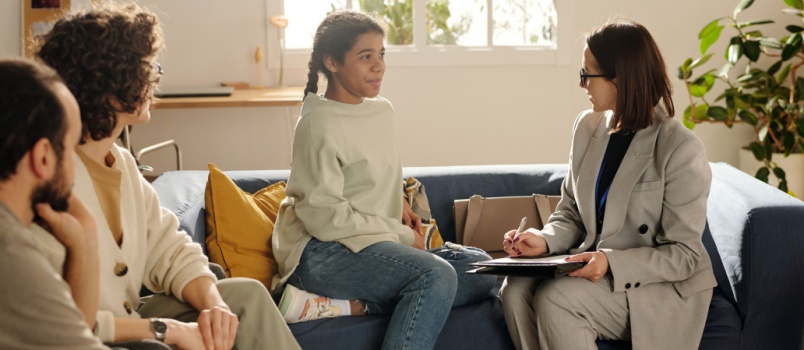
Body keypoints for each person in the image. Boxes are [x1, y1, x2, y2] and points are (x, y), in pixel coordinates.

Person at [34, 4, 300, 350]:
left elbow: (169, 248)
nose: (157, 76)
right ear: (108, 79)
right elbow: (54, 319)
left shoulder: (123, 164)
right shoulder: (47, 179)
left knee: (244, 296)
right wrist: (162, 328)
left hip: (128, 316)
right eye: (147, 66)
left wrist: (215, 305)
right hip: (90, 335)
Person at [271, 10, 495, 349]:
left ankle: (346, 307)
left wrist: (398, 200)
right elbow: (326, 219)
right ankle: (333, 297)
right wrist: (403, 236)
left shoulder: (381, 110)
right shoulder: (318, 124)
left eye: (381, 54)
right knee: (436, 275)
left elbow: (372, 172)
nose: (379, 66)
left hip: (372, 242)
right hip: (322, 252)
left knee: (482, 268)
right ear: (332, 61)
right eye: (365, 56)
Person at [499, 20, 717, 350]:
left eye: (587, 74)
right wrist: (542, 241)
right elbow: (571, 212)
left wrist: (611, 261)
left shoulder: (680, 147)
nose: (581, 83)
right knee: (513, 289)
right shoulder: (586, 127)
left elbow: (684, 254)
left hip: (658, 287)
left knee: (557, 299)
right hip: (595, 271)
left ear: (619, 78)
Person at [0, 58, 107, 349]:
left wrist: (83, 242)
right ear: (44, 156)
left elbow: (72, 335)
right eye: (71, 148)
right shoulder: (10, 253)